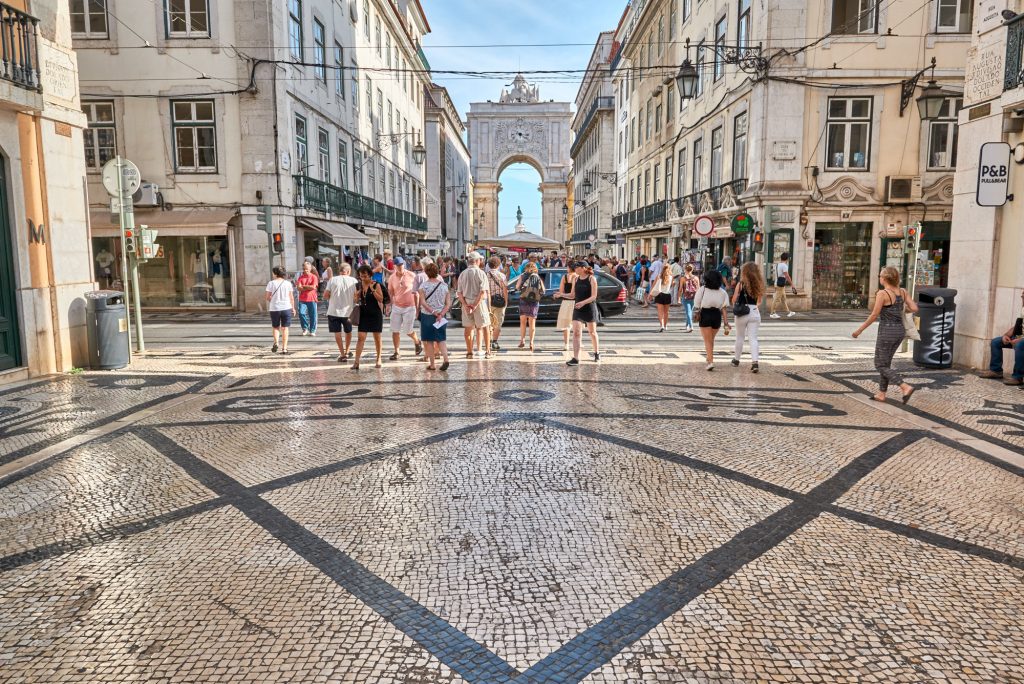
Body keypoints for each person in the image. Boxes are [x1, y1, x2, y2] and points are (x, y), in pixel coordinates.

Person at [852, 266, 920, 403]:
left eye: (880, 276)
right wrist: (900, 309)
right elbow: (914, 308)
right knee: (886, 363)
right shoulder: (903, 292)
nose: (879, 278)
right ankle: (881, 394)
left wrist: (859, 330)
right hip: (899, 331)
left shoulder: (883, 294)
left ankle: (905, 387)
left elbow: (874, 315)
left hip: (887, 332)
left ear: (884, 278)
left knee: (880, 365)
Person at [980, 289, 1024, 385]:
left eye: (1023, 296)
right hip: (1019, 338)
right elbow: (1017, 326)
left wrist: (1019, 340)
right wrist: (1006, 335)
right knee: (996, 342)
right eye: (1022, 295)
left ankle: (1018, 377)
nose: (1022, 298)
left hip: (1021, 341)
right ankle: (996, 371)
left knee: (1020, 345)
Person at [731, 262, 765, 373]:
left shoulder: (740, 284)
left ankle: (736, 360)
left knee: (740, 337)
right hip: (754, 312)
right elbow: (759, 302)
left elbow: (734, 300)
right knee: (753, 338)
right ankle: (755, 362)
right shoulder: (759, 284)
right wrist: (753, 306)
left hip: (742, 313)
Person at [386, 257, 422, 360]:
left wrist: (417, 306)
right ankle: (397, 352)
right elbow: (390, 293)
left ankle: (417, 341)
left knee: (408, 330)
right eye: (397, 265)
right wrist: (389, 305)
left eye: (401, 265)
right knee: (395, 330)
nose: (400, 267)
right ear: (394, 266)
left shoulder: (412, 275)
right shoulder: (392, 278)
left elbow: (418, 292)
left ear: (404, 264)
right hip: (397, 306)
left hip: (410, 307)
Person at [694, 270, 731, 370]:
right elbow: (724, 308)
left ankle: (710, 362)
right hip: (717, 316)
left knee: (707, 340)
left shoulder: (702, 290)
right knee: (710, 339)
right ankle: (709, 358)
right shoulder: (722, 292)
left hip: (705, 314)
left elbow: (697, 304)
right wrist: (726, 323)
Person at [457, 251, 491, 358]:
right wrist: (475, 305)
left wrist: (466, 305)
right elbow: (482, 292)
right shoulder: (481, 273)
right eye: (480, 259)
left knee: (468, 328)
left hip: (466, 302)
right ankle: (488, 351)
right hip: (479, 303)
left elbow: (459, 293)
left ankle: (469, 351)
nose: (481, 261)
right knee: (485, 326)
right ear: (477, 261)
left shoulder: (462, 274)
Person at [417, 261, 451, 371]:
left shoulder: (423, 286)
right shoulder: (444, 286)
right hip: (441, 317)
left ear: (426, 273)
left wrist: (432, 312)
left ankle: (432, 365)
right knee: (441, 339)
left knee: (429, 341)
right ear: (437, 272)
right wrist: (441, 313)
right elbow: (448, 304)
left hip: (427, 316)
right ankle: (446, 359)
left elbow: (422, 302)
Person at [352, 264, 385, 370]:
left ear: (370, 275)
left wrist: (373, 290)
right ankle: (356, 362)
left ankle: (378, 358)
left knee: (377, 338)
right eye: (361, 276)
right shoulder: (358, 285)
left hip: (375, 313)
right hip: (363, 314)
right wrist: (356, 296)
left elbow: (381, 299)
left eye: (365, 276)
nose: (363, 278)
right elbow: (356, 301)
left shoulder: (376, 285)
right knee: (361, 337)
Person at [567, 262, 600, 365]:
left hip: (589, 307)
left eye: (577, 267)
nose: (575, 269)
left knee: (592, 332)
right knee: (576, 332)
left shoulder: (591, 279)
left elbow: (594, 296)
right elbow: (572, 295)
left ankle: (597, 353)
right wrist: (561, 294)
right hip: (578, 308)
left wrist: (583, 303)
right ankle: (576, 358)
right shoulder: (575, 279)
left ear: (583, 268)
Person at [324, 262, 358, 362]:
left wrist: (333, 297)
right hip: (348, 312)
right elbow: (356, 298)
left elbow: (326, 295)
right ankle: (347, 351)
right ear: (348, 271)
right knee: (348, 331)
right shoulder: (353, 281)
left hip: (333, 311)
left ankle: (342, 354)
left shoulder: (332, 280)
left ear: (340, 271)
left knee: (337, 332)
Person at [265, 267, 297, 354]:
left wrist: (271, 298)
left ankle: (276, 343)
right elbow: (291, 297)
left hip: (275, 308)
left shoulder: (271, 283)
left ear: (275, 273)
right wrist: (293, 308)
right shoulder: (288, 283)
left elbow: (267, 297)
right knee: (285, 328)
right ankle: (285, 348)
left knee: (275, 327)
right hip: (286, 307)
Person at [517, 261, 544, 352]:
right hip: (534, 301)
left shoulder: (522, 276)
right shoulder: (537, 277)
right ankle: (531, 342)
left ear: (526, 267)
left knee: (523, 322)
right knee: (532, 323)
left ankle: (522, 340)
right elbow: (543, 290)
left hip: (523, 300)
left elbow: (517, 287)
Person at [486, 257, 508, 352]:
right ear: (498, 265)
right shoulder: (502, 276)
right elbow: (505, 290)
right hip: (500, 302)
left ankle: (489, 341)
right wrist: (506, 302)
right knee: (498, 323)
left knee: (489, 323)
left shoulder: (485, 275)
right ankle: (494, 342)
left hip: (488, 302)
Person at [296, 260, 320, 336]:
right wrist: (308, 287)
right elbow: (299, 288)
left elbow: (313, 287)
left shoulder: (314, 277)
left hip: (312, 298)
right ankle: (305, 328)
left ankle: (312, 330)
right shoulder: (300, 277)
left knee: (313, 315)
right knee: (301, 313)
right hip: (302, 299)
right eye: (304, 269)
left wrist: (304, 286)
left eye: (307, 269)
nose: (305, 270)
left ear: (310, 269)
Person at [554, 269, 576, 351]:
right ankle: (578, 343)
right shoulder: (577, 277)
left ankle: (566, 344)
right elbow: (575, 293)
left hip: (566, 302)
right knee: (577, 324)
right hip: (576, 302)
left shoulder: (565, 277)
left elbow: (561, 291)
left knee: (566, 324)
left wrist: (560, 295)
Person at [770, 252, 797, 318]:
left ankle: (788, 312)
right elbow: (787, 276)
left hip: (777, 283)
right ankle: (772, 313)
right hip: (780, 285)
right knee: (777, 299)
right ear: (787, 258)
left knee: (783, 299)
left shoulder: (777, 265)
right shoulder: (784, 266)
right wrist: (792, 285)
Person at [649, 265, 673, 332]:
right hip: (667, 295)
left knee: (660, 312)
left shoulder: (658, 276)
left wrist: (650, 295)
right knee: (666, 312)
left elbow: (653, 286)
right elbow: (671, 285)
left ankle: (661, 326)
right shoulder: (671, 277)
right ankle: (665, 326)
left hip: (659, 295)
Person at [681, 264, 699, 333]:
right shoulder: (696, 278)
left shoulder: (683, 278)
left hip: (686, 297)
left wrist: (679, 297)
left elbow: (680, 289)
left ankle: (691, 326)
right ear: (692, 270)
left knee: (688, 312)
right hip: (694, 297)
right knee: (690, 311)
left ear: (685, 270)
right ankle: (687, 325)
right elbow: (699, 288)